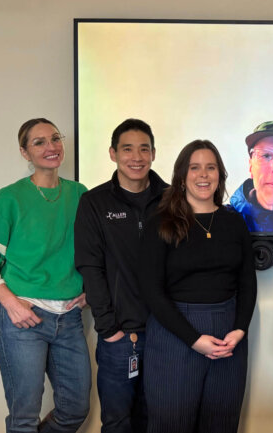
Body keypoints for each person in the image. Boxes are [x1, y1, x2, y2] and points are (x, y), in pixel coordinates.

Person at [0, 118, 90, 433]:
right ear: (25, 152)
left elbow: (94, 253)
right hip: (23, 320)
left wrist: (91, 289)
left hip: (69, 319)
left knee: (75, 411)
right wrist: (11, 304)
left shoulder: (80, 194)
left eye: (55, 138)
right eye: (39, 142)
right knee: (24, 419)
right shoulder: (9, 198)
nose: (51, 147)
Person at [139, 140, 256, 433]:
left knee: (221, 424)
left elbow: (247, 281)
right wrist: (193, 339)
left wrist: (240, 329)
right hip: (174, 334)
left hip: (229, 337)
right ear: (181, 176)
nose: (203, 175)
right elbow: (152, 290)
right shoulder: (161, 222)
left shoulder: (234, 222)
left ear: (220, 174)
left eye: (210, 167)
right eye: (195, 168)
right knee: (171, 424)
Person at [75, 118, 168, 433]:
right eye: (128, 149)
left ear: (154, 153)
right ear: (113, 153)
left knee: (156, 421)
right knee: (117, 423)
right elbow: (90, 266)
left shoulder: (172, 200)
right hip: (119, 338)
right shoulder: (94, 202)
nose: (137, 157)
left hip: (165, 335)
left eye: (144, 149)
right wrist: (108, 328)